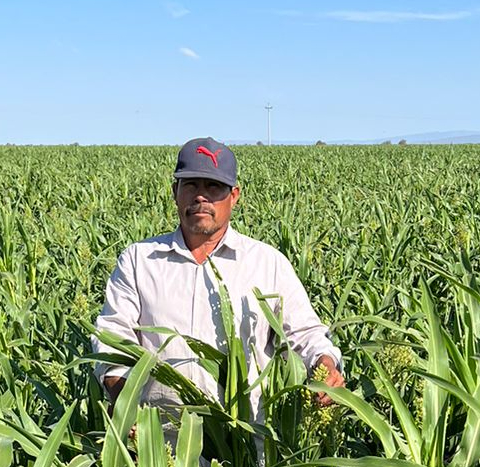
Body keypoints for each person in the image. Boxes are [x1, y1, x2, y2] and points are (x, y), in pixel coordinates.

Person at [91, 137, 344, 425]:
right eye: (191, 185)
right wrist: (125, 404)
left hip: (247, 447)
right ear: (175, 192)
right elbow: (113, 338)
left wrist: (325, 365)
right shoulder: (140, 261)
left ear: (234, 196)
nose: (201, 197)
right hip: (159, 449)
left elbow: (305, 333)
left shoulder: (267, 264)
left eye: (213, 187)